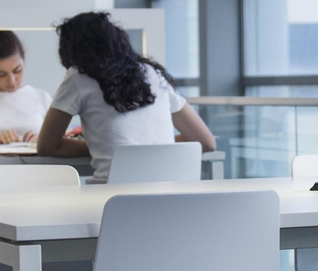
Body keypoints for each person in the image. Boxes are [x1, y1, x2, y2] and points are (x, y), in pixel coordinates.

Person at [35, 11, 214, 182]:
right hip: (169, 196)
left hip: (112, 196)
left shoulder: (78, 77)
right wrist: (147, 148)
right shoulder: (152, 73)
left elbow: (46, 146)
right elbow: (206, 142)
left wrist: (109, 147)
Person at [0, 30, 53, 144]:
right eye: (1, 74)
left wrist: (43, 139)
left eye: (17, 70)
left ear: (24, 62)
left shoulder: (42, 97)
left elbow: (62, 139)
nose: (12, 81)